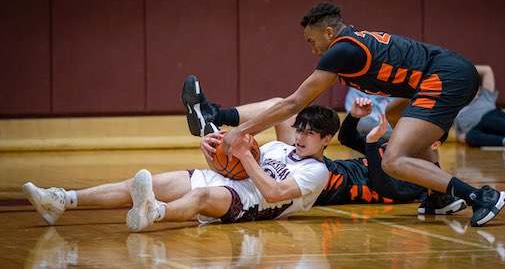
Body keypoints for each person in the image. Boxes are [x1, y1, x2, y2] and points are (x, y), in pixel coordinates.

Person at [213, 1, 505, 227]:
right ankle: (440, 195)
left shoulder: (342, 50)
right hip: (441, 75)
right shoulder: (351, 44)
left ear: (329, 33)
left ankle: (480, 196)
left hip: (445, 76)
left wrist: (241, 130)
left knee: (392, 160)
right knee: (393, 115)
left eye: (312, 41)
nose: (312, 49)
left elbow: (293, 104)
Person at [22, 104, 340, 232]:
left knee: (201, 196)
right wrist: (213, 154)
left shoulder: (317, 171)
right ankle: (61, 200)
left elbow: (272, 192)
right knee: (135, 182)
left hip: (249, 204)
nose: (300, 137)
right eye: (300, 130)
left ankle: (155, 212)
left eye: (310, 133)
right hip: (222, 181)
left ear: (326, 139)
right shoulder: (277, 147)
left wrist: (243, 157)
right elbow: (234, 169)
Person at [184, 75, 467, 215]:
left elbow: (383, 186)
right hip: (315, 164)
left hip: (315, 183)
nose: (409, 134)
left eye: (419, 134)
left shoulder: (421, 181)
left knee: (284, 112)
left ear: (435, 144)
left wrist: (371, 144)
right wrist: (355, 118)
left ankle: (215, 122)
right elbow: (347, 138)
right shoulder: (397, 152)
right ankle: (213, 116)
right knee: (280, 107)